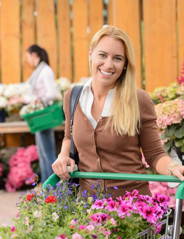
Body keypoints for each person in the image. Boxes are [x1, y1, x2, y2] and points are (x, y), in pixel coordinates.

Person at [52, 25, 184, 196]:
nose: (108, 64)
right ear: (90, 54)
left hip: (131, 208)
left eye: (117, 58)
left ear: (125, 65)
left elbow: (155, 154)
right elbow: (69, 137)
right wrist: (63, 157)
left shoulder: (138, 100)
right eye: (102, 55)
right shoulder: (73, 96)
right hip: (87, 209)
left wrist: (174, 167)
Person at [25, 44, 61, 183]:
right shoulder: (39, 71)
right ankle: (48, 186)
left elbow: (52, 93)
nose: (27, 60)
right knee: (43, 153)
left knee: (48, 153)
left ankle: (55, 187)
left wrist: (38, 101)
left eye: (28, 56)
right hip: (38, 116)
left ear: (34, 55)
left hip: (44, 115)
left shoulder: (45, 70)